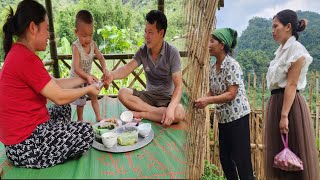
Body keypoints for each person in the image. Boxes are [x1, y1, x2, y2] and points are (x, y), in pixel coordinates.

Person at [0, 0, 100, 168]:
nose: (49, 35)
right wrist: (90, 89)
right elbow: (59, 96)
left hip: (24, 136)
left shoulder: (21, 53)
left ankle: (59, 134)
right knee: (86, 133)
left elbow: (55, 84)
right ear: (33, 28)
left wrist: (85, 79)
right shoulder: (25, 58)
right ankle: (57, 138)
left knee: (64, 110)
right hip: (24, 145)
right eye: (46, 29)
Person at [104, 10, 185, 126]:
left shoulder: (172, 52)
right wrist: (111, 75)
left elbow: (178, 86)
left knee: (178, 113)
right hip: (148, 97)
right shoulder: (143, 51)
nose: (146, 36)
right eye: (145, 31)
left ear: (161, 33)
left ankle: (142, 114)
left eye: (150, 32)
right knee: (122, 93)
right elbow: (127, 69)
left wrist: (171, 108)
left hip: (166, 99)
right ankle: (156, 113)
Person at [264, 9, 320, 180]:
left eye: (276, 26)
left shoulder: (296, 50)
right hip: (276, 103)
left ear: (288, 27)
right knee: (280, 157)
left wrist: (284, 115)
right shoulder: (280, 51)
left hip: (289, 107)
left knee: (294, 154)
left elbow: (292, 84)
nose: (272, 30)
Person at [194, 28, 254, 180]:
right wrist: (202, 100)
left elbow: (231, 94)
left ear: (222, 45)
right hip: (224, 119)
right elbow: (212, 92)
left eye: (212, 41)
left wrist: (207, 101)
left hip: (238, 118)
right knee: (225, 159)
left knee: (242, 161)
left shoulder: (231, 65)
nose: (209, 44)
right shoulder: (213, 68)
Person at [70, 10, 108, 122]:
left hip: (88, 77)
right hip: (77, 79)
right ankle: (80, 120)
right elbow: (76, 68)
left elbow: (101, 57)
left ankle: (98, 117)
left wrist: (105, 68)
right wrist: (87, 76)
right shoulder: (76, 47)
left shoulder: (92, 44)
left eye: (90, 35)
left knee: (94, 96)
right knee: (81, 102)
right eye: (84, 35)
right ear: (76, 32)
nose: (88, 39)